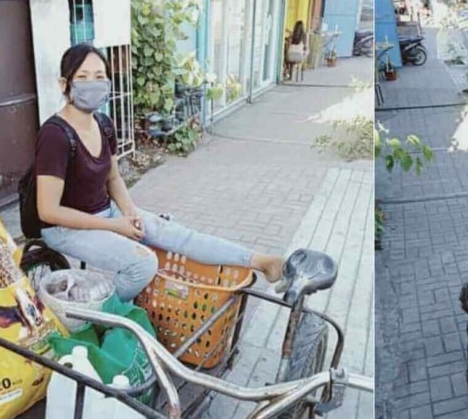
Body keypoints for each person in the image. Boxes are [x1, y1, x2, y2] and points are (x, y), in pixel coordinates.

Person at [36, 43, 285, 301]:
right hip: (64, 230)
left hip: (106, 213)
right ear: (64, 85)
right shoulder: (55, 135)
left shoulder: (104, 124)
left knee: (177, 235)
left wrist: (130, 213)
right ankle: (91, 319)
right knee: (143, 264)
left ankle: (260, 261)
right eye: (83, 77)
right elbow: (48, 211)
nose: (93, 84)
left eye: (100, 77)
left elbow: (113, 178)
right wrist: (113, 225)